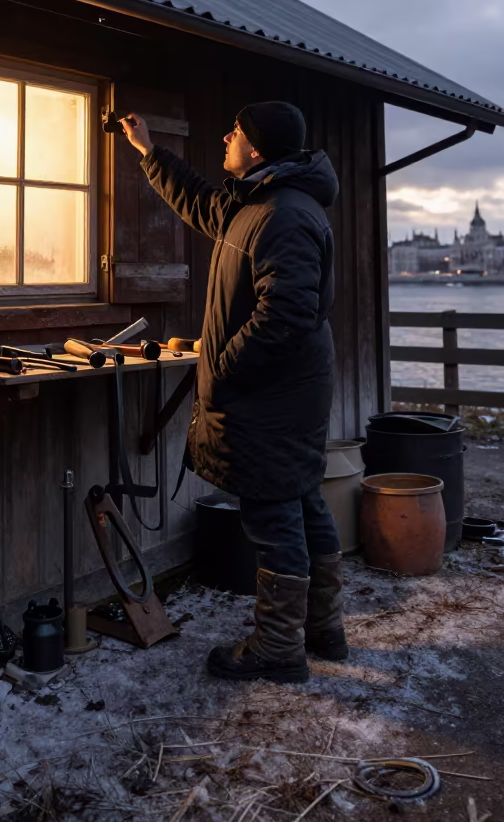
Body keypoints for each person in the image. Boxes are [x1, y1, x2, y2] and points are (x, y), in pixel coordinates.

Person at [121, 101, 347, 684]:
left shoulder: (284, 214)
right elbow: (201, 201)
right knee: (301, 498)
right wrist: (150, 152)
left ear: (259, 148)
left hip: (272, 392)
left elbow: (287, 311)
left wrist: (223, 368)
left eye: (237, 132)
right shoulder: (260, 202)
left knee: (274, 511)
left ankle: (278, 649)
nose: (226, 136)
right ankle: (322, 629)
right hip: (284, 387)